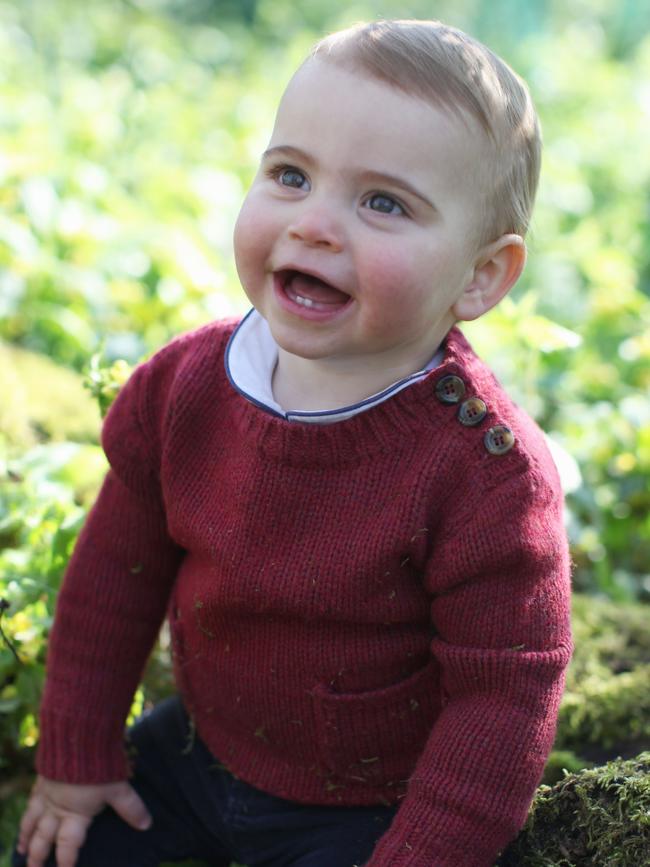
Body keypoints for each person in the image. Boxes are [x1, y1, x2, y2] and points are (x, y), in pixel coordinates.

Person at [14, 18, 573, 867]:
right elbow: (114, 576)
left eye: (383, 202)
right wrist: (77, 755)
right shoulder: (190, 385)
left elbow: (504, 698)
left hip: (373, 805)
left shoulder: (484, 474)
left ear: (480, 276)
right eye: (290, 174)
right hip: (200, 750)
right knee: (68, 849)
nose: (313, 223)